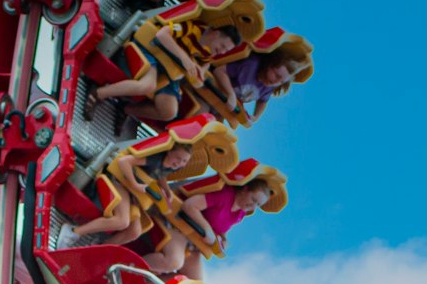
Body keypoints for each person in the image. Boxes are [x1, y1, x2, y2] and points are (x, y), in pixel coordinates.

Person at [84, 24, 240, 123]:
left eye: (226, 50)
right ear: (215, 33)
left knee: (169, 112)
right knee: (147, 86)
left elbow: (203, 67)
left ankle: (126, 109)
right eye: (223, 46)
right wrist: (184, 58)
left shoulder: (208, 53)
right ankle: (98, 93)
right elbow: (162, 35)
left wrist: (199, 72)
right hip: (154, 54)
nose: (222, 52)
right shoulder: (193, 28)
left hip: (169, 72)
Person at [61, 142, 195, 248]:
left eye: (184, 161)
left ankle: (97, 248)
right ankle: (73, 231)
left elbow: (160, 174)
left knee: (134, 231)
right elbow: (123, 161)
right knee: (122, 221)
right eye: (178, 158)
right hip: (120, 182)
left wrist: (166, 190)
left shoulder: (170, 166)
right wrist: (135, 184)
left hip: (132, 194)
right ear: (170, 151)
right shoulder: (155, 159)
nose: (180, 163)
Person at [140, 177, 273, 277]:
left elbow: (221, 230)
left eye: (258, 205)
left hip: (193, 241)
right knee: (173, 262)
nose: (253, 206)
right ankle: (129, 265)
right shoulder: (225, 195)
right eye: (253, 199)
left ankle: (143, 280)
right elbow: (190, 206)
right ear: (245, 190)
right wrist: (206, 229)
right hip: (177, 224)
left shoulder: (240, 213)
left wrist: (223, 241)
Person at [228, 47, 312, 125]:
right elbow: (221, 71)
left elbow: (263, 101)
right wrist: (230, 94)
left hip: (229, 104)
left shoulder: (268, 87)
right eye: (277, 76)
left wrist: (255, 116)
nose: (276, 82)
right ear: (270, 65)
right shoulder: (250, 66)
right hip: (219, 91)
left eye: (281, 81)